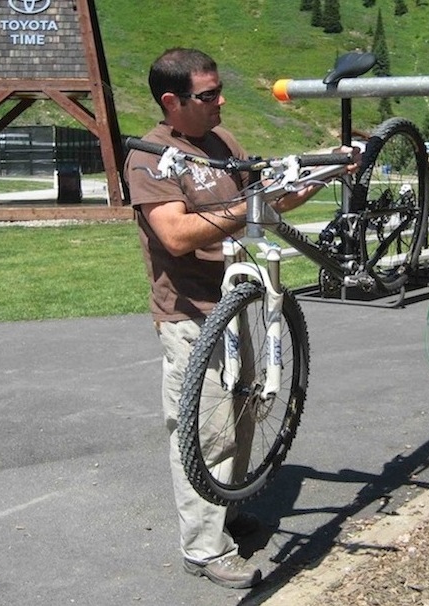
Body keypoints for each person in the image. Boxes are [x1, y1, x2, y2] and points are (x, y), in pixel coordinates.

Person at [123, 47, 356, 590]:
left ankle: (226, 510)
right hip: (190, 314)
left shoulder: (223, 143)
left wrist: (327, 170)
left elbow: (273, 200)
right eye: (207, 95)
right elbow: (176, 235)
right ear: (171, 101)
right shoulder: (150, 156)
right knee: (203, 432)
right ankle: (204, 550)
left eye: (218, 89)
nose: (220, 101)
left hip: (240, 305)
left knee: (244, 416)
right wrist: (251, 206)